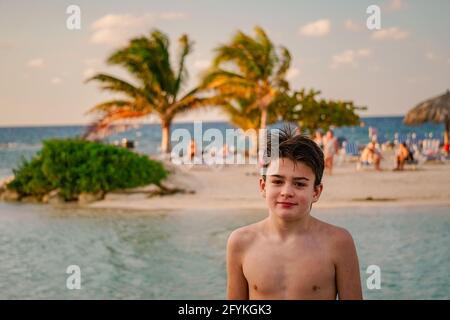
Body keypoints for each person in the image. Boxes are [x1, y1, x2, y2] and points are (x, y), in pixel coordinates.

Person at [226, 128, 363, 300]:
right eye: (277, 181)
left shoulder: (338, 242)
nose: (286, 192)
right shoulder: (240, 242)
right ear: (263, 186)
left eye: (299, 184)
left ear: (316, 192)